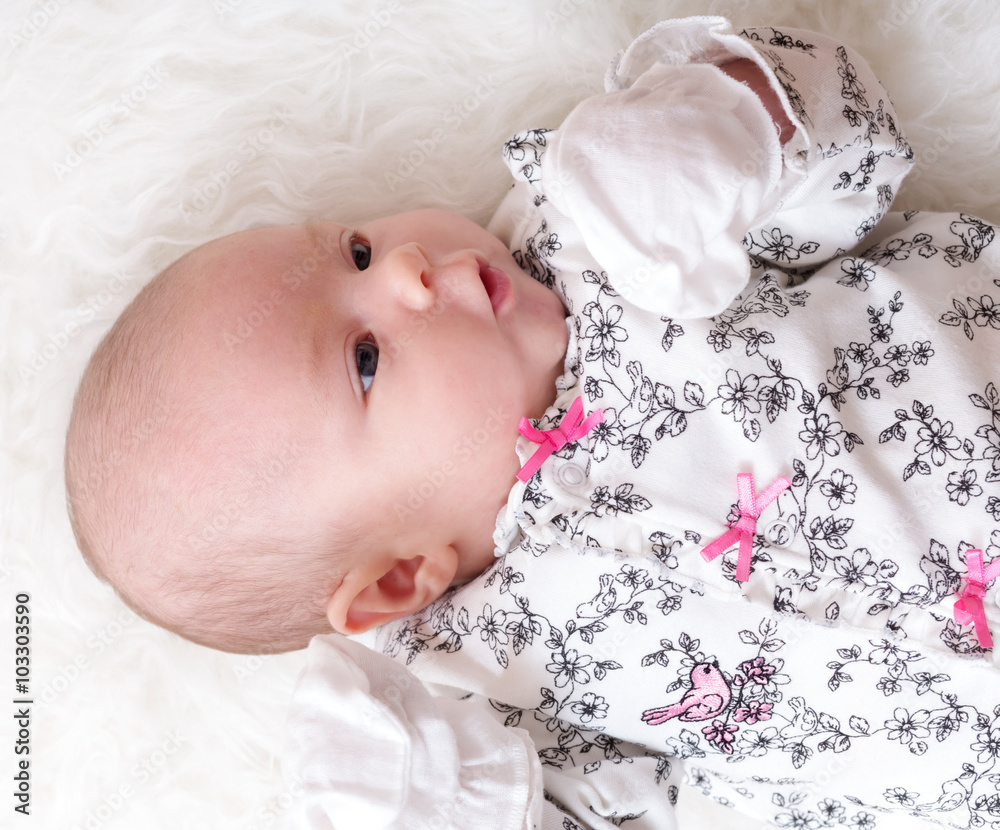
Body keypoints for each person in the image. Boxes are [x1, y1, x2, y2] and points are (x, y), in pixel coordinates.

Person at [65, 14, 1000, 828]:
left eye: (355, 247)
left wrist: (722, 122)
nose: (403, 269)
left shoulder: (598, 226)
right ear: (398, 576)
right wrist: (447, 804)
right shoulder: (492, 682)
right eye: (364, 359)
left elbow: (858, 151)